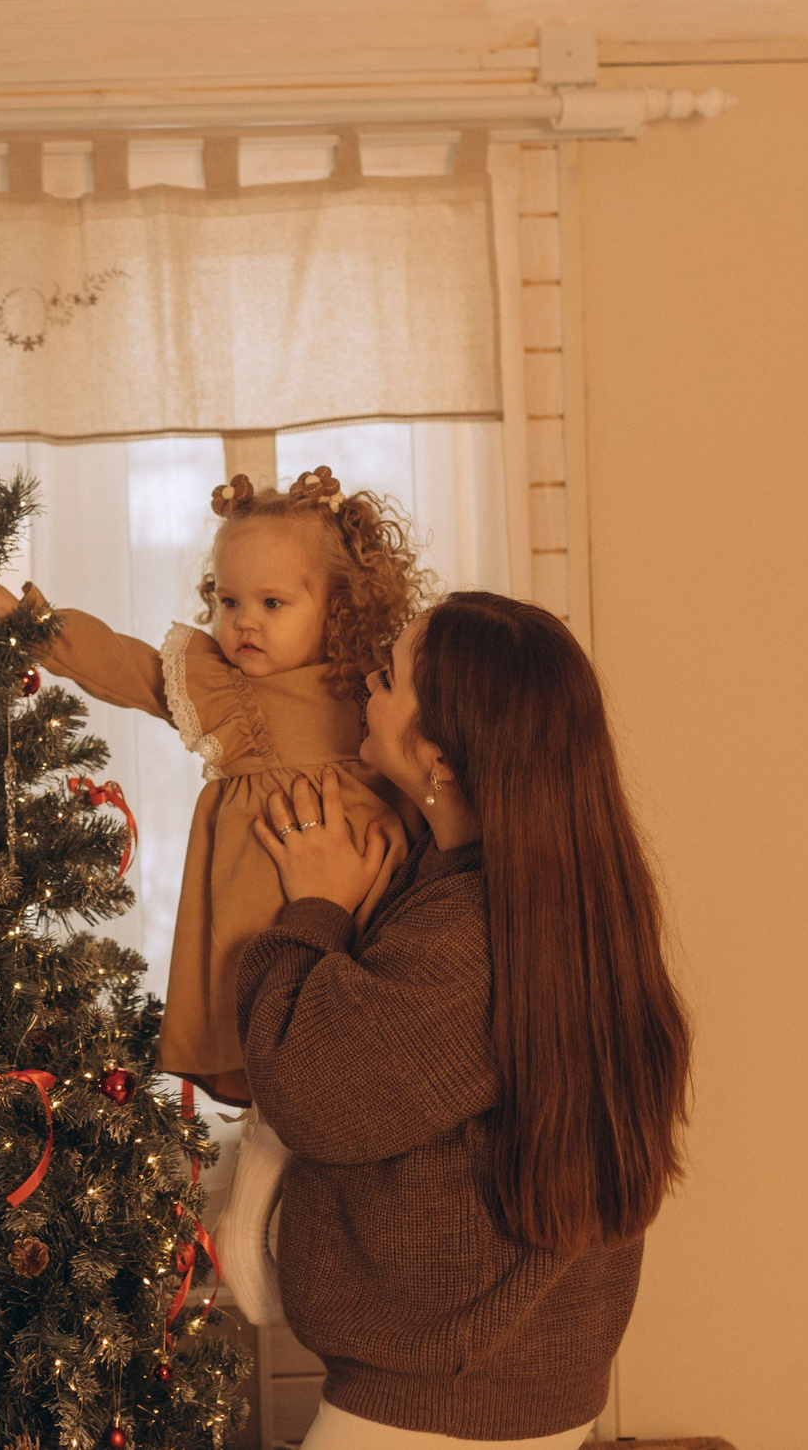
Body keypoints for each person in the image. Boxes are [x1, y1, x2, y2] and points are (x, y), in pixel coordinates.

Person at [0, 465, 427, 1320]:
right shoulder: (224, 684)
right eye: (227, 599)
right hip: (264, 905)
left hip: (366, 903)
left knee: (355, 1081)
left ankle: (324, 1240)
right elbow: (132, 667)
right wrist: (37, 625)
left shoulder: (379, 690)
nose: (242, 622)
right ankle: (246, 1214)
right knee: (281, 1064)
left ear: (343, 605)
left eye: (273, 603)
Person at [238, 592, 693, 1448]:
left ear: (440, 759)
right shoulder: (562, 898)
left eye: (387, 677)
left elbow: (307, 1086)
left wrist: (314, 910)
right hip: (518, 1384)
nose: (364, 689)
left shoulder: (469, 937)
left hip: (430, 1409)